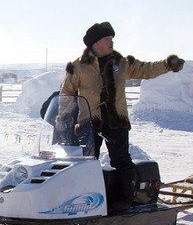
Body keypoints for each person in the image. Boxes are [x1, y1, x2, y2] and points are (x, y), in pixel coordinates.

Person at [60, 21, 184, 213]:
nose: (111, 42)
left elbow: (146, 69)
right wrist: (65, 118)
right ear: (95, 43)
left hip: (115, 122)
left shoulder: (121, 62)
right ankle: (83, 201)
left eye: (111, 38)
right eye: (107, 39)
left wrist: (167, 65)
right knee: (84, 163)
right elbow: (66, 92)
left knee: (121, 162)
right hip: (89, 123)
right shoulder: (78, 66)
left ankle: (122, 202)